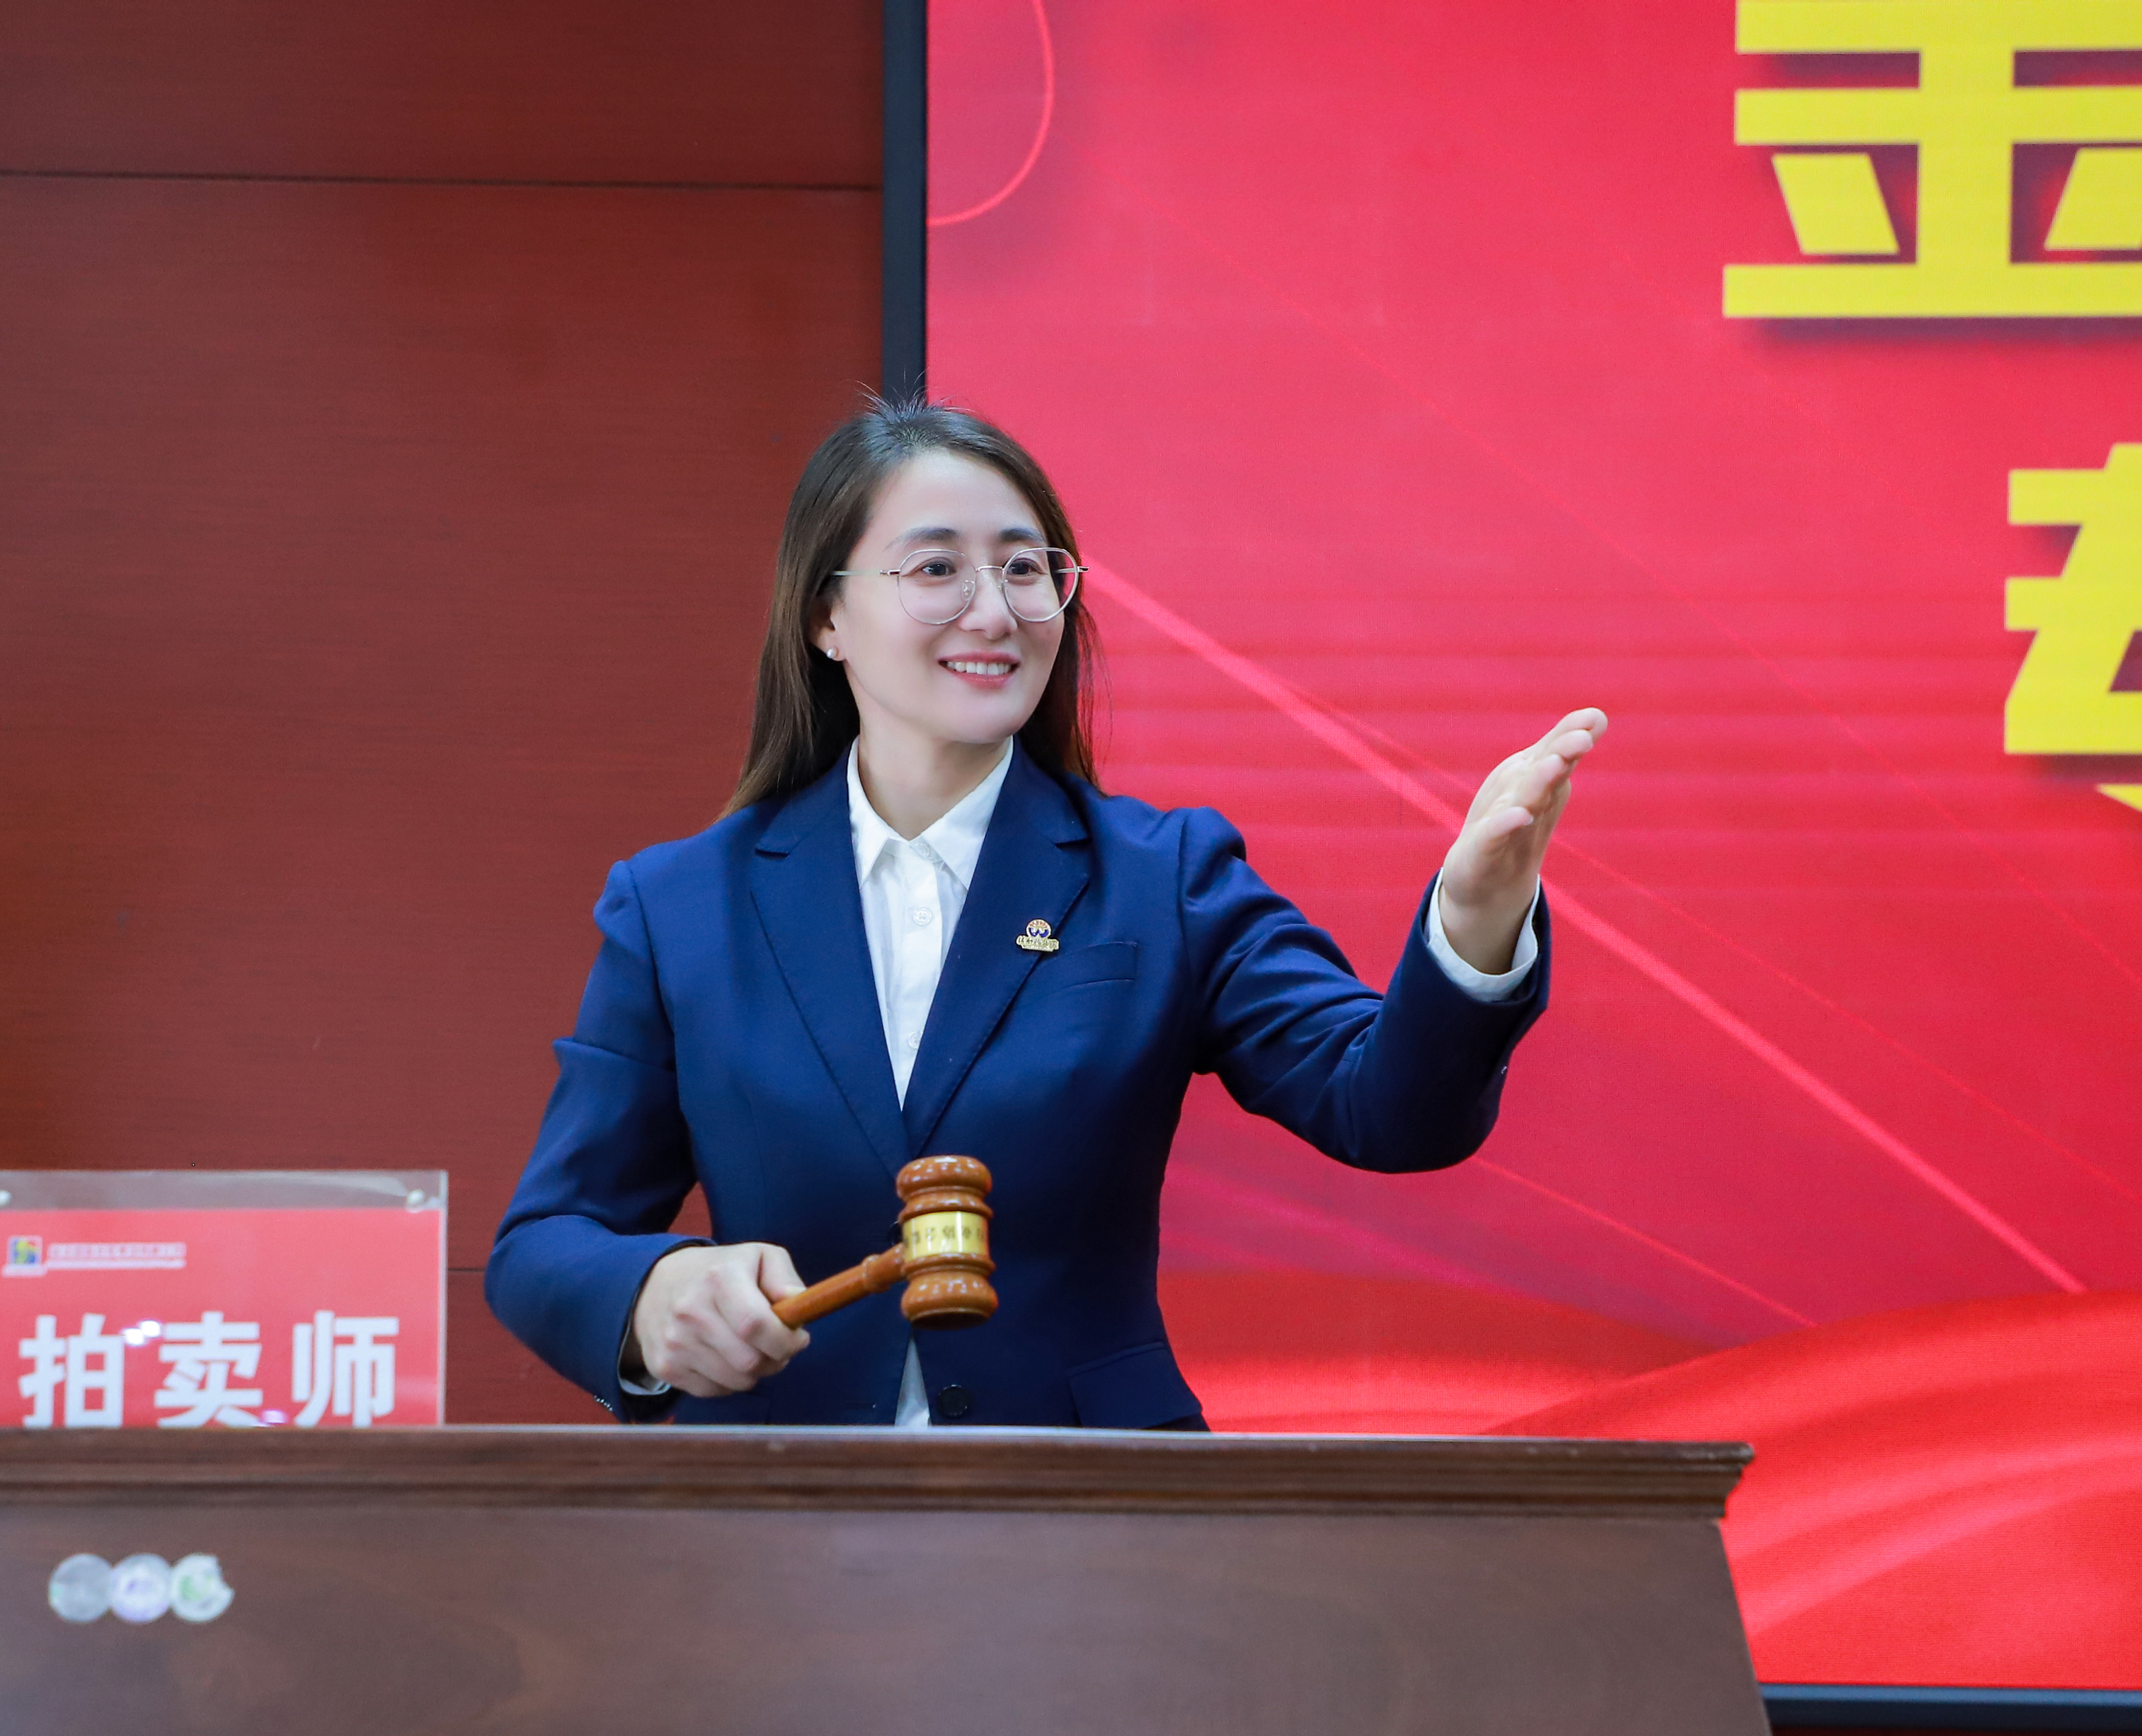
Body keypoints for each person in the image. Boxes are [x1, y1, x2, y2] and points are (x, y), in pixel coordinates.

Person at [488, 398, 1604, 1427]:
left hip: (1096, 1515)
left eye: (1026, 569)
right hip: (776, 1521)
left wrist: (1474, 919)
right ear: (827, 616)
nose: (995, 610)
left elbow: (1389, 1112)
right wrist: (652, 1296)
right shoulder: (681, 906)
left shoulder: (1162, 877)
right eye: (937, 567)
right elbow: (544, 1242)